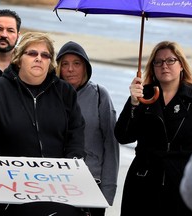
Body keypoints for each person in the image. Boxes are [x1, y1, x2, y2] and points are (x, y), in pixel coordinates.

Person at [0, 32, 86, 216]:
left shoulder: (65, 92)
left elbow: (76, 136)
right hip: (11, 191)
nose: (39, 58)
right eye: (32, 53)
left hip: (57, 190)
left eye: (45, 55)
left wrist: (73, 166)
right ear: (18, 59)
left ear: (50, 62)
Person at [114, 41, 192, 216]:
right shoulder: (143, 95)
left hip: (180, 184)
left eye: (170, 60)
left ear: (181, 64)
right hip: (143, 181)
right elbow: (123, 136)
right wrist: (134, 104)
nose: (164, 65)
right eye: (158, 62)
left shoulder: (191, 98)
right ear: (153, 67)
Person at [55, 41, 119, 216]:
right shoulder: (50, 95)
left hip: (92, 184)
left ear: (85, 68)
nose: (70, 69)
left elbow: (111, 145)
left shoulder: (99, 95)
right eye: (65, 64)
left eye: (77, 64)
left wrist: (108, 190)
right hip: (56, 183)